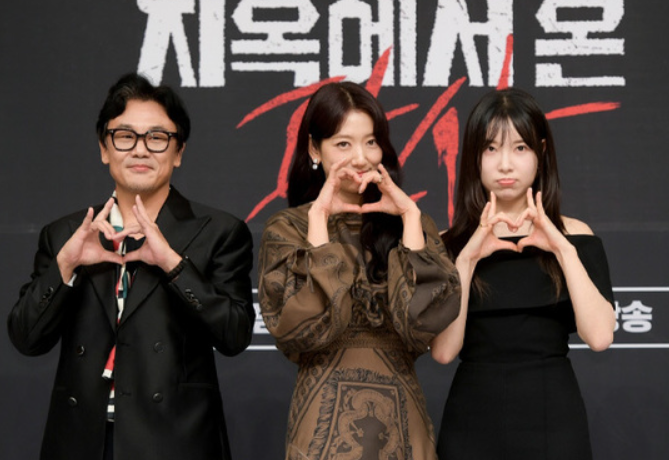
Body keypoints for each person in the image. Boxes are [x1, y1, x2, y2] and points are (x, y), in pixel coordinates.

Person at [8, 73, 255, 460]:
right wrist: (67, 265)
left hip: (174, 442)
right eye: (125, 136)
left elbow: (235, 335)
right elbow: (26, 338)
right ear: (104, 148)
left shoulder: (219, 232)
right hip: (80, 442)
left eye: (157, 138)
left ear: (178, 151)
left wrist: (173, 264)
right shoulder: (67, 234)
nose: (140, 150)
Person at [257, 81, 461, 460]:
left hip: (403, 425)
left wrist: (410, 218)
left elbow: (422, 328)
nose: (361, 157)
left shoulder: (413, 226)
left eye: (371, 142)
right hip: (322, 431)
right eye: (343, 144)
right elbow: (305, 332)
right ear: (314, 149)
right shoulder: (287, 229)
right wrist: (319, 220)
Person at [431, 87, 616, 460]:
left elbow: (599, 337)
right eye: (491, 148)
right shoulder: (447, 245)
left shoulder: (576, 237)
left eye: (520, 148)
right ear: (474, 156)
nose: (505, 165)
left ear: (541, 153)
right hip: (472, 422)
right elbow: (444, 352)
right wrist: (466, 261)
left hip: (554, 420)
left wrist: (562, 248)